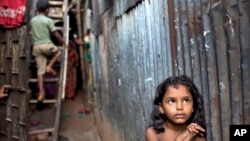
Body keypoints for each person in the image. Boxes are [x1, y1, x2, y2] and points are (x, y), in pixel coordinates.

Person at [145, 75, 206, 141]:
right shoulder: (153, 133)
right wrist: (182, 138)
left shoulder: (198, 138)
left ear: (193, 107)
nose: (179, 107)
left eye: (186, 100)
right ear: (161, 108)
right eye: (172, 101)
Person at [30, 0, 67, 102]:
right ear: (47, 10)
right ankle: (49, 66)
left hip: (36, 47)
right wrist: (64, 43)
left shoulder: (33, 20)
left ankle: (41, 93)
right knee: (58, 52)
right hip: (46, 45)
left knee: (40, 71)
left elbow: (31, 32)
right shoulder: (48, 21)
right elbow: (55, 34)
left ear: (37, 9)